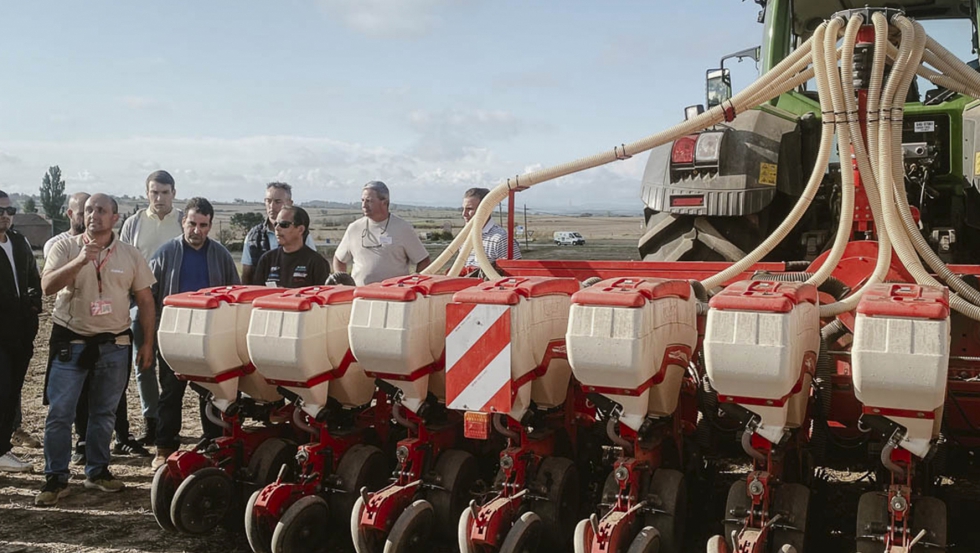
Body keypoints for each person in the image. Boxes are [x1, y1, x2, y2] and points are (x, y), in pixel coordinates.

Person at [37, 193, 156, 506]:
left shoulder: (130, 255)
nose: (94, 215)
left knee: (104, 414)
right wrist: (80, 261)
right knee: (60, 413)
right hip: (70, 343)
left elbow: (145, 300)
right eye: (89, 209)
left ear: (115, 218)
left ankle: (97, 471)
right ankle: (56, 478)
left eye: (102, 210)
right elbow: (46, 286)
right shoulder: (65, 246)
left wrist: (147, 343)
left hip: (114, 345)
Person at [147, 198, 240, 468]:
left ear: (210, 226)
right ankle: (164, 447)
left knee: (210, 393)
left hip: (209, 338)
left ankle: (212, 443)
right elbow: (148, 297)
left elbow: (233, 293)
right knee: (170, 393)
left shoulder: (220, 255)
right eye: (191, 223)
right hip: (173, 335)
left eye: (203, 225)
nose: (196, 230)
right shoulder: (164, 254)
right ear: (183, 222)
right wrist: (152, 334)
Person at [119, 170, 183, 449]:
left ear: (174, 193)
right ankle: (152, 421)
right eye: (154, 192)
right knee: (143, 363)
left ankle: (169, 423)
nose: (159, 197)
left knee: (171, 367)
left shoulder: (183, 221)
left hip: (174, 304)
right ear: (147, 193)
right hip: (139, 302)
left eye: (165, 192)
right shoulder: (133, 224)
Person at [0, 191, 42, 473]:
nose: (5, 214)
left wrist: (33, 306)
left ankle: (3, 450)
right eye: (0, 210)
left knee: (11, 392)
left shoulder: (18, 242)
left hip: (19, 332)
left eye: (9, 210)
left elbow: (32, 278)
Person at [332, 181, 431, 285]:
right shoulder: (354, 228)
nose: (364, 205)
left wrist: (414, 285)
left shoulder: (402, 228)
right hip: (360, 297)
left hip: (394, 297)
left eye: (369, 201)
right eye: (362, 200)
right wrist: (343, 285)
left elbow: (423, 261)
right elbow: (339, 259)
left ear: (384, 202)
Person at [242, 182, 316, 285]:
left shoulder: (302, 235)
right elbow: (246, 274)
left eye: (277, 202)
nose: (272, 206)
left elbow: (314, 266)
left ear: (289, 203)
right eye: (268, 201)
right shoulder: (253, 236)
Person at [253, 206, 330, 288]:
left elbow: (322, 296)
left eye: (284, 224)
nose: (277, 228)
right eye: (276, 224)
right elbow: (257, 293)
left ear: (300, 229)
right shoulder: (267, 259)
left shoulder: (317, 262)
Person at [461, 187, 521, 268]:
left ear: (486, 209)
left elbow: (516, 271)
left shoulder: (501, 239)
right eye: (463, 208)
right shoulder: (464, 237)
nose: (464, 214)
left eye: (469, 209)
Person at [43, 192, 90, 257]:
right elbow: (54, 267)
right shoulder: (55, 244)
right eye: (82, 214)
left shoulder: (102, 243)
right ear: (70, 214)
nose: (86, 219)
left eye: (89, 214)